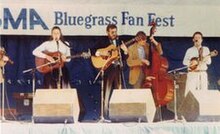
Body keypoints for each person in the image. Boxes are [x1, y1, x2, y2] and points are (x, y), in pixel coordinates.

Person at [91, 24, 128, 118]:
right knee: (106, 92)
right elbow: (92, 51)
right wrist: (101, 52)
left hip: (118, 69)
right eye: (112, 32)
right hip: (108, 68)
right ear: (107, 32)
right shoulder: (102, 41)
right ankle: (105, 114)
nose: (114, 34)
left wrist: (126, 51)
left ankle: (119, 114)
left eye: (115, 32)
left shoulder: (119, 42)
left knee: (118, 91)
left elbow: (124, 58)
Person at [183, 31, 211, 96]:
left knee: (203, 93)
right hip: (192, 73)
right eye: (196, 37)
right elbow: (184, 62)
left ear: (201, 40)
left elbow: (209, 62)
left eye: (199, 37)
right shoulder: (189, 50)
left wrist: (204, 59)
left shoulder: (206, 49)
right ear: (193, 39)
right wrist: (192, 62)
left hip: (202, 73)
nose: (197, 39)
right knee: (189, 93)